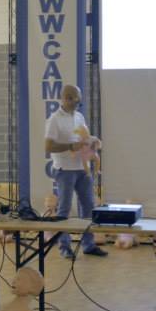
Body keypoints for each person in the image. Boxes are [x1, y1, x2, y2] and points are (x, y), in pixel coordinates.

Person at [44, 85, 107, 260]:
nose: (76, 102)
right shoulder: (54, 119)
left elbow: (84, 138)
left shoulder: (79, 116)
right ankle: (64, 247)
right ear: (64, 98)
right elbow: (48, 146)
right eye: (73, 98)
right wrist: (70, 146)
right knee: (64, 209)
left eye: (78, 99)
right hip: (64, 170)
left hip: (82, 169)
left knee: (88, 206)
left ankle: (88, 245)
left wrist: (92, 142)